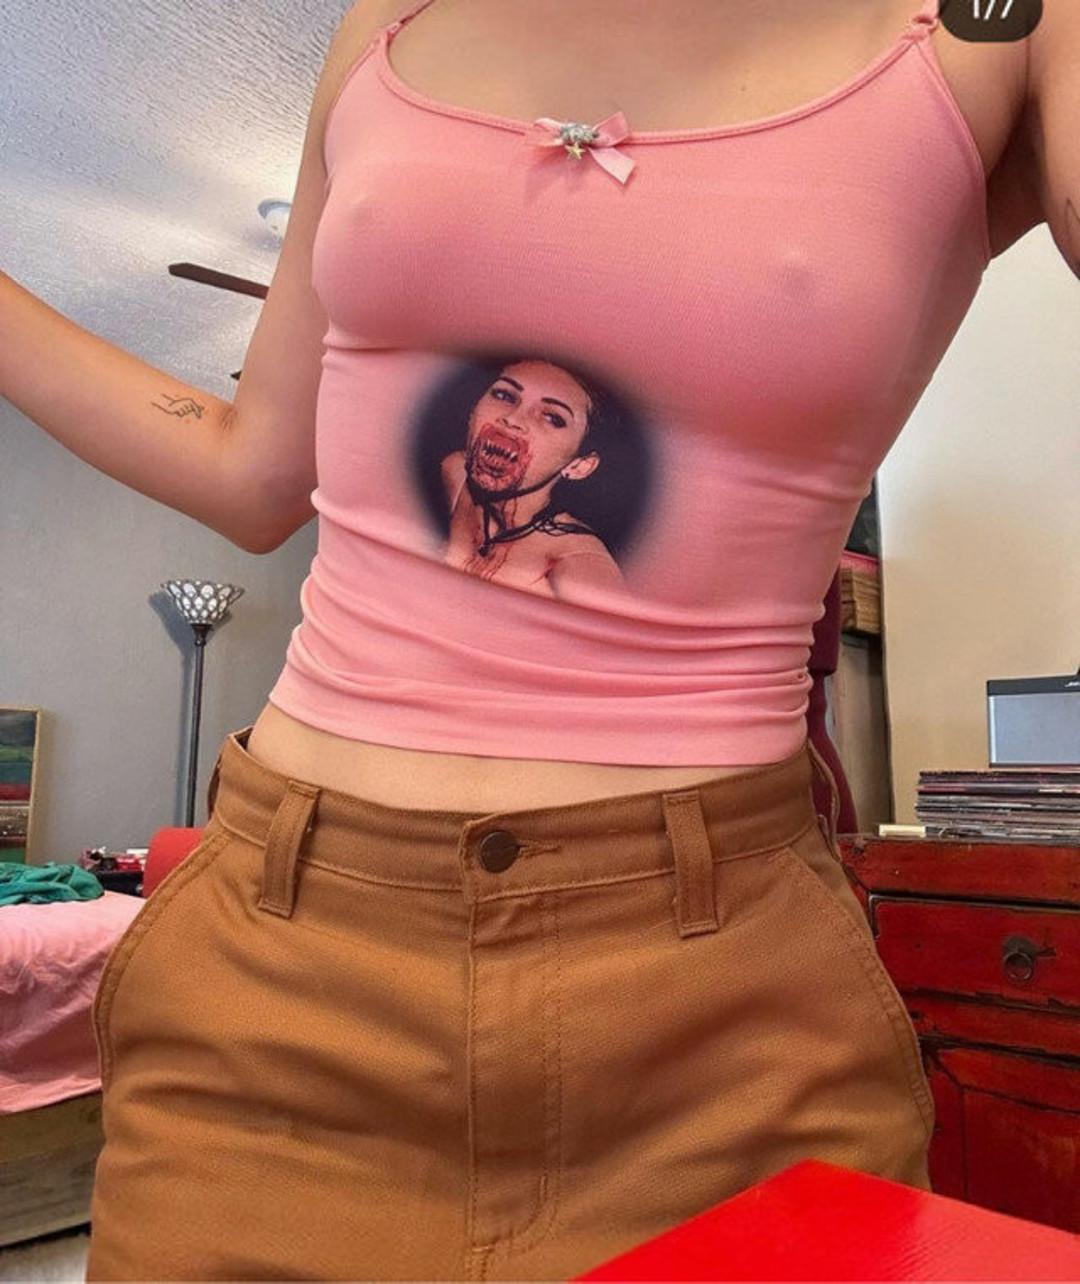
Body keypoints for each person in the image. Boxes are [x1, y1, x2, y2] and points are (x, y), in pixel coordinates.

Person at [2, 0, 1075, 1278]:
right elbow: (254, 474)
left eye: (549, 416)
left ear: (588, 457)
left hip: (719, 1010)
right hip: (278, 972)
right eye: (501, 397)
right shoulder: (386, 25)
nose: (511, 420)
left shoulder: (1001, 30)